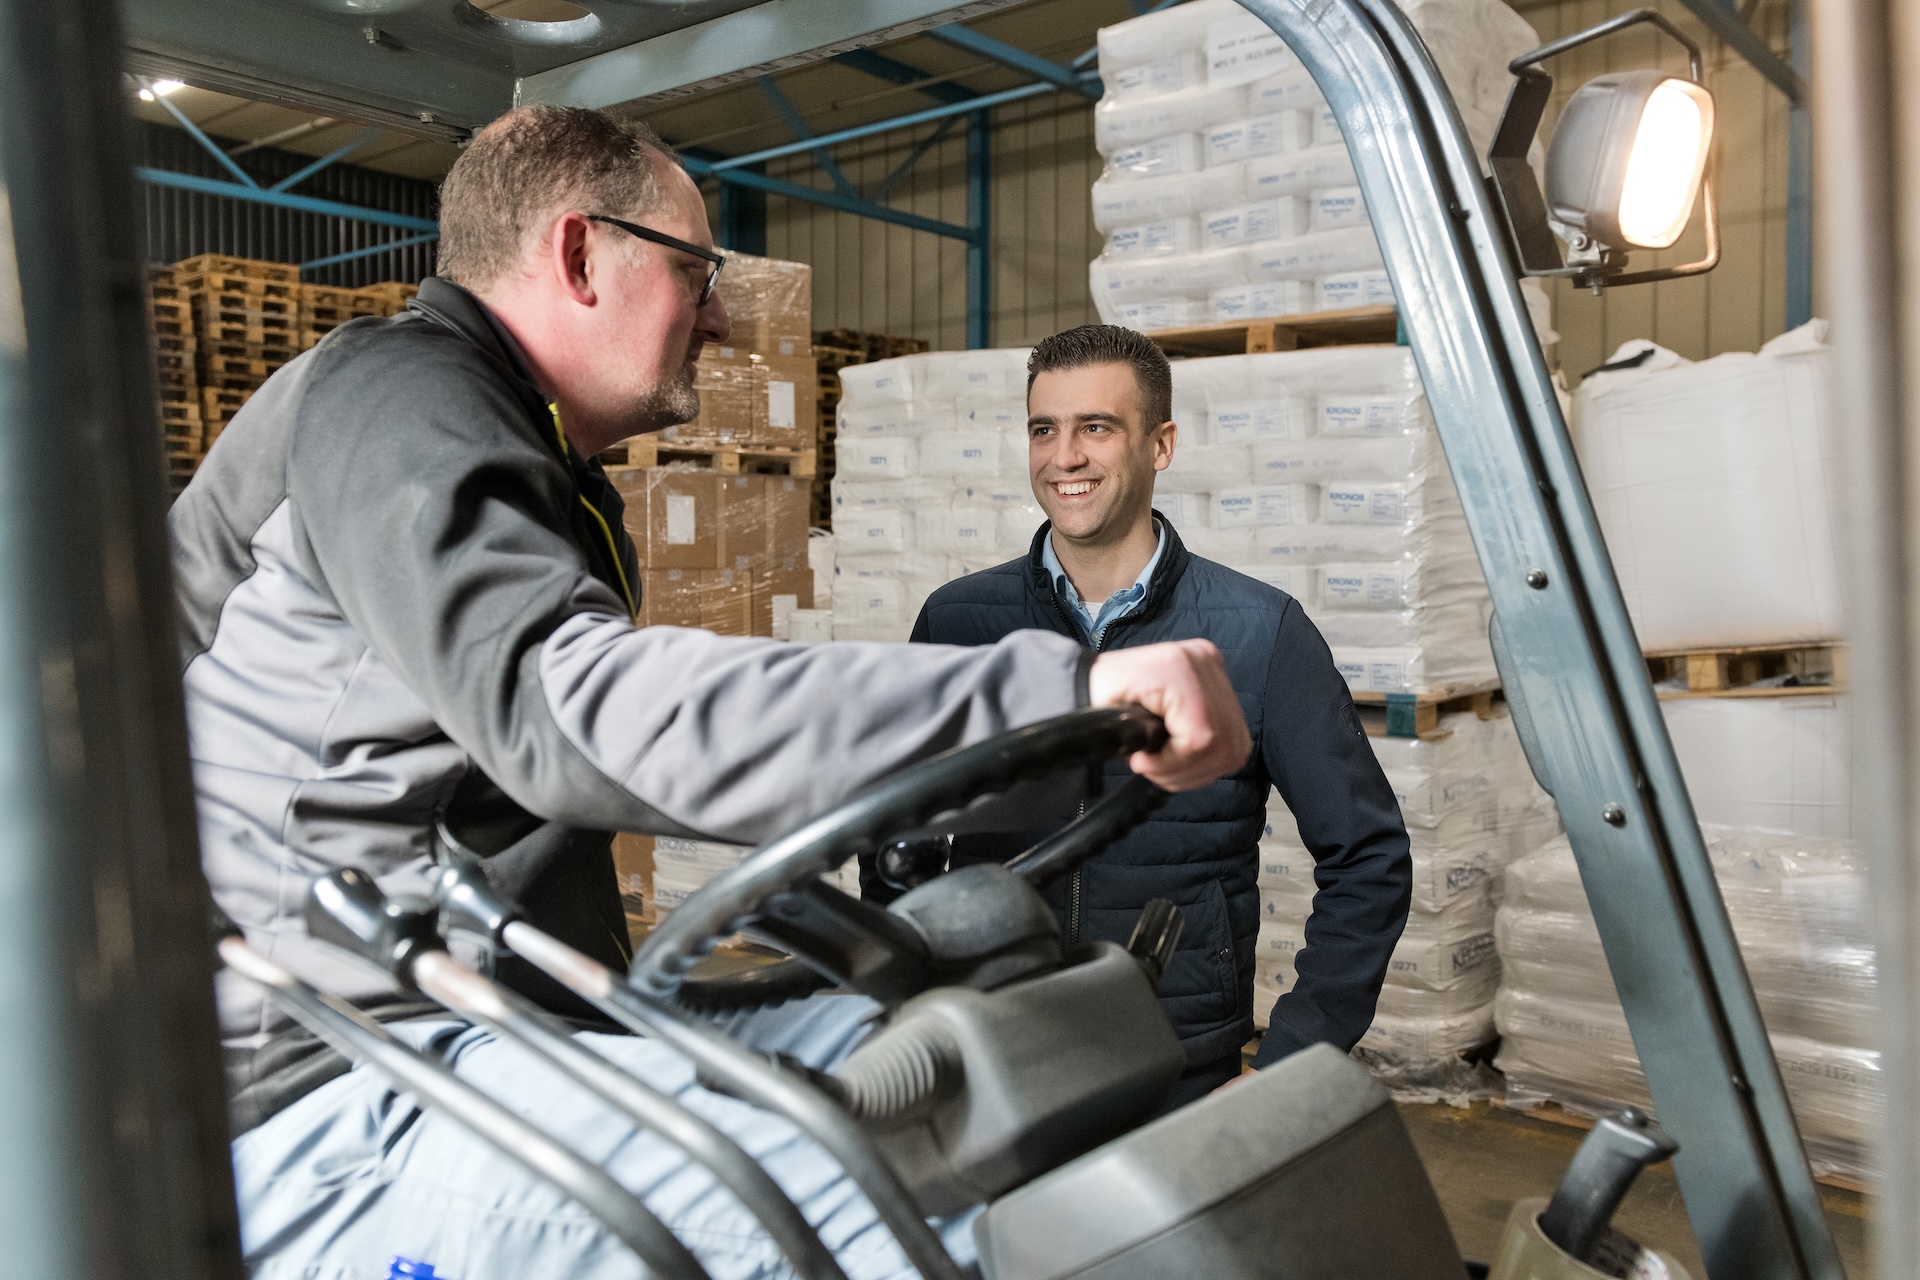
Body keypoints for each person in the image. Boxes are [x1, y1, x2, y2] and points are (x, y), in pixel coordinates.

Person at [171, 108, 1250, 1277]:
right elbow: (573, 709)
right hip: (332, 1075)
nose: (723, 314)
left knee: (969, 1073)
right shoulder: (395, 405)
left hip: (491, 1011)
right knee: (856, 1209)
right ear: (582, 254)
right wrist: (1055, 698)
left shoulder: (539, 470)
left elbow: (515, 822)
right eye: (696, 269)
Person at [899, 324, 1411, 1110]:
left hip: (1176, 1065)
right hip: (993, 1055)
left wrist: (1292, 1060)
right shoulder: (961, 621)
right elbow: (897, 836)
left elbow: (1367, 856)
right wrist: (905, 1006)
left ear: (1160, 445)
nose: (1064, 457)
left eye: (1095, 428)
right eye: (1045, 429)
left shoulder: (1258, 633)